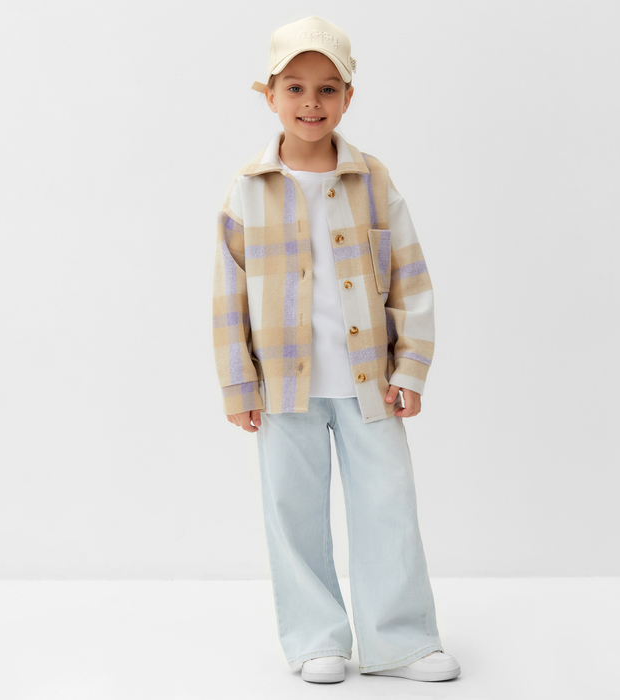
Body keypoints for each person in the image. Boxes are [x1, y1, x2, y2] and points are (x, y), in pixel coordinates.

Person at [212, 15, 461, 684]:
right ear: (270, 95)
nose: (311, 102)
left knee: (388, 506)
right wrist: (238, 386)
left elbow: (410, 276)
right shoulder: (248, 189)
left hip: (369, 382)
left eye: (327, 88)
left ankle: (400, 642)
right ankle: (315, 639)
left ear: (348, 96)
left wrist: (411, 367)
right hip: (282, 388)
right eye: (294, 87)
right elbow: (227, 295)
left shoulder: (373, 181)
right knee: (293, 514)